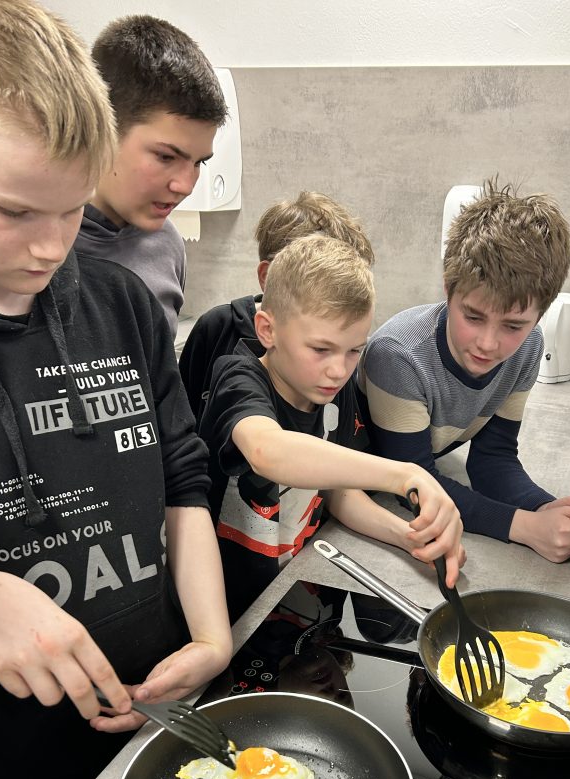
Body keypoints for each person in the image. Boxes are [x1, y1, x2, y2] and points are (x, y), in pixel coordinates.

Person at [0, 0, 232, 779]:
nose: (49, 246)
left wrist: (211, 636)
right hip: (5, 748)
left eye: (71, 210)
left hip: (157, 692)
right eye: (15, 210)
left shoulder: (119, 301)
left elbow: (181, 475)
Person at [198, 233, 464, 622]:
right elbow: (267, 451)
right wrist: (406, 474)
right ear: (267, 330)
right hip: (228, 614)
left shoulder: (331, 391)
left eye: (354, 350)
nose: (339, 370)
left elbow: (337, 491)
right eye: (320, 349)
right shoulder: (237, 378)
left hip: (297, 605)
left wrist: (409, 538)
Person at [358, 180, 570, 565]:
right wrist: (526, 527)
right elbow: (411, 484)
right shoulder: (399, 356)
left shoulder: (528, 348)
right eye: (473, 317)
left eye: (513, 325)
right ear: (448, 290)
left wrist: (549, 513)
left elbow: (492, 458)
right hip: (361, 496)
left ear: (539, 315)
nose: (488, 344)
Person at [74, 14, 227, 341]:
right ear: (103, 128)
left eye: (199, 162)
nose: (185, 186)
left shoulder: (167, 243)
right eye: (166, 157)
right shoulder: (36, 247)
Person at [179, 190, 375, 423]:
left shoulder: (342, 354)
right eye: (320, 349)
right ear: (267, 274)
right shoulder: (219, 330)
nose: (337, 370)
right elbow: (181, 418)